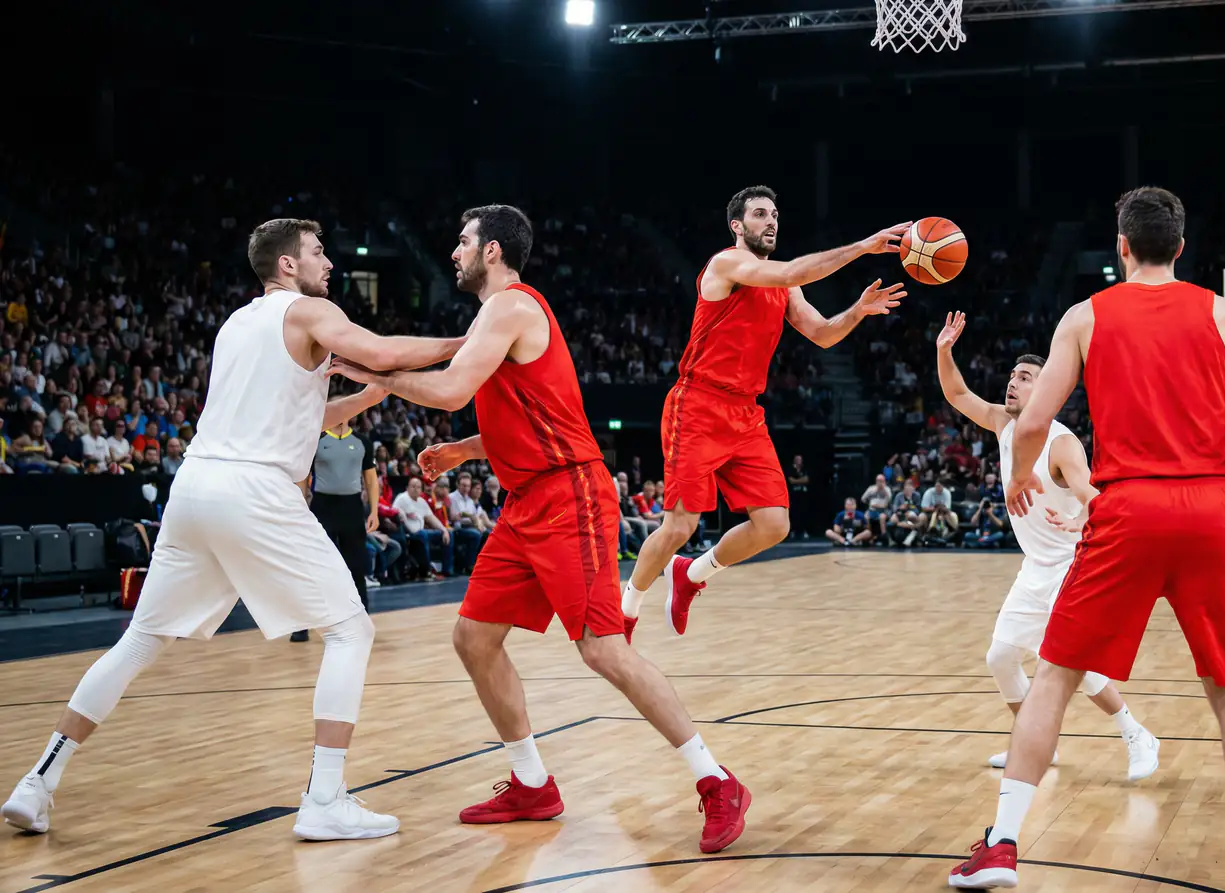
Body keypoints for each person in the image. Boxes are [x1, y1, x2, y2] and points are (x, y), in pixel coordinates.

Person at [3, 218, 466, 840]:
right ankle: (325, 799)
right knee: (351, 629)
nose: (328, 262)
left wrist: (369, 394)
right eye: (318, 252)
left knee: (140, 640)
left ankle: (37, 782)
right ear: (287, 267)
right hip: (253, 489)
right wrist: (465, 343)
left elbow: (301, 416)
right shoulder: (305, 312)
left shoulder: (236, 325)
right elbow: (380, 349)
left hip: (196, 487)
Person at [330, 204, 751, 854]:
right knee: (473, 637)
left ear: (493, 250)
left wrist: (369, 374)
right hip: (525, 500)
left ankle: (717, 780)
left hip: (570, 495)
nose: (453, 253)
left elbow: (449, 391)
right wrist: (463, 454)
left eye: (463, 241)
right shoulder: (493, 317)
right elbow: (519, 412)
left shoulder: (513, 306)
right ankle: (532, 781)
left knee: (602, 649)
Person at [950, 188, 1225, 891]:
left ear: (1121, 246)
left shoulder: (1085, 316)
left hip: (1130, 507)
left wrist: (1021, 474)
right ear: (1180, 246)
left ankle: (1003, 844)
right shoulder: (1224, 311)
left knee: (1053, 677)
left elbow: (1029, 422)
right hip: (1210, 505)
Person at [619, 186, 910, 641]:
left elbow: (823, 334)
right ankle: (626, 610)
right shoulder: (727, 264)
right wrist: (864, 246)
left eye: (775, 214)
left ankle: (691, 575)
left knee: (774, 523)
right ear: (737, 226)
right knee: (680, 523)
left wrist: (857, 311)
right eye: (759, 214)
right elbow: (793, 269)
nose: (771, 221)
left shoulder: (784, 284)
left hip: (744, 412)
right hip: (697, 403)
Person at [936, 312, 1160, 779]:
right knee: (1000, 658)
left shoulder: (1061, 445)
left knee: (1073, 662)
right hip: (1036, 565)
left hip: (1073, 565)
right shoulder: (1003, 424)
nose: (1012, 384)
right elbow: (958, 394)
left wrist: (1079, 515)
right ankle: (1037, 744)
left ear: (1049, 389)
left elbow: (1096, 497)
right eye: (1012, 376)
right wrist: (944, 350)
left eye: (1026, 377)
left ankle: (1136, 733)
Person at [290, 412, 382, 642]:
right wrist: (301, 507)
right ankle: (303, 625)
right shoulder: (316, 440)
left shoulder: (362, 442)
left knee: (356, 566)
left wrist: (374, 511)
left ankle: (363, 621)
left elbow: (370, 480)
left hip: (352, 508)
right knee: (314, 568)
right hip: (323, 507)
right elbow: (303, 476)